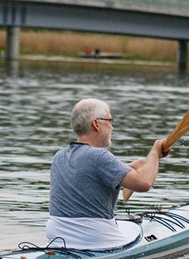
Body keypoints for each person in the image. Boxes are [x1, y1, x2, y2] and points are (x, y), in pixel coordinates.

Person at [46, 98, 169, 250]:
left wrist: (136, 166)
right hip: (96, 239)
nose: (113, 128)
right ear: (96, 124)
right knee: (133, 227)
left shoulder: (60, 155)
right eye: (110, 120)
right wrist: (155, 152)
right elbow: (144, 183)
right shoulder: (100, 156)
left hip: (58, 238)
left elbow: (91, 176)